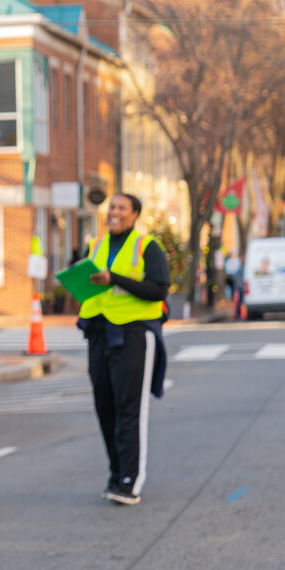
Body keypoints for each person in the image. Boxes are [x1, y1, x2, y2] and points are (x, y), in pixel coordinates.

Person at [79, 193, 168, 506]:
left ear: (134, 215)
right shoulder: (95, 245)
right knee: (105, 408)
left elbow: (159, 289)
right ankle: (115, 474)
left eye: (121, 208)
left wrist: (113, 278)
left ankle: (130, 481)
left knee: (129, 410)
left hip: (133, 334)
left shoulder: (147, 247)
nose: (114, 212)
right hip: (99, 333)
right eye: (111, 207)